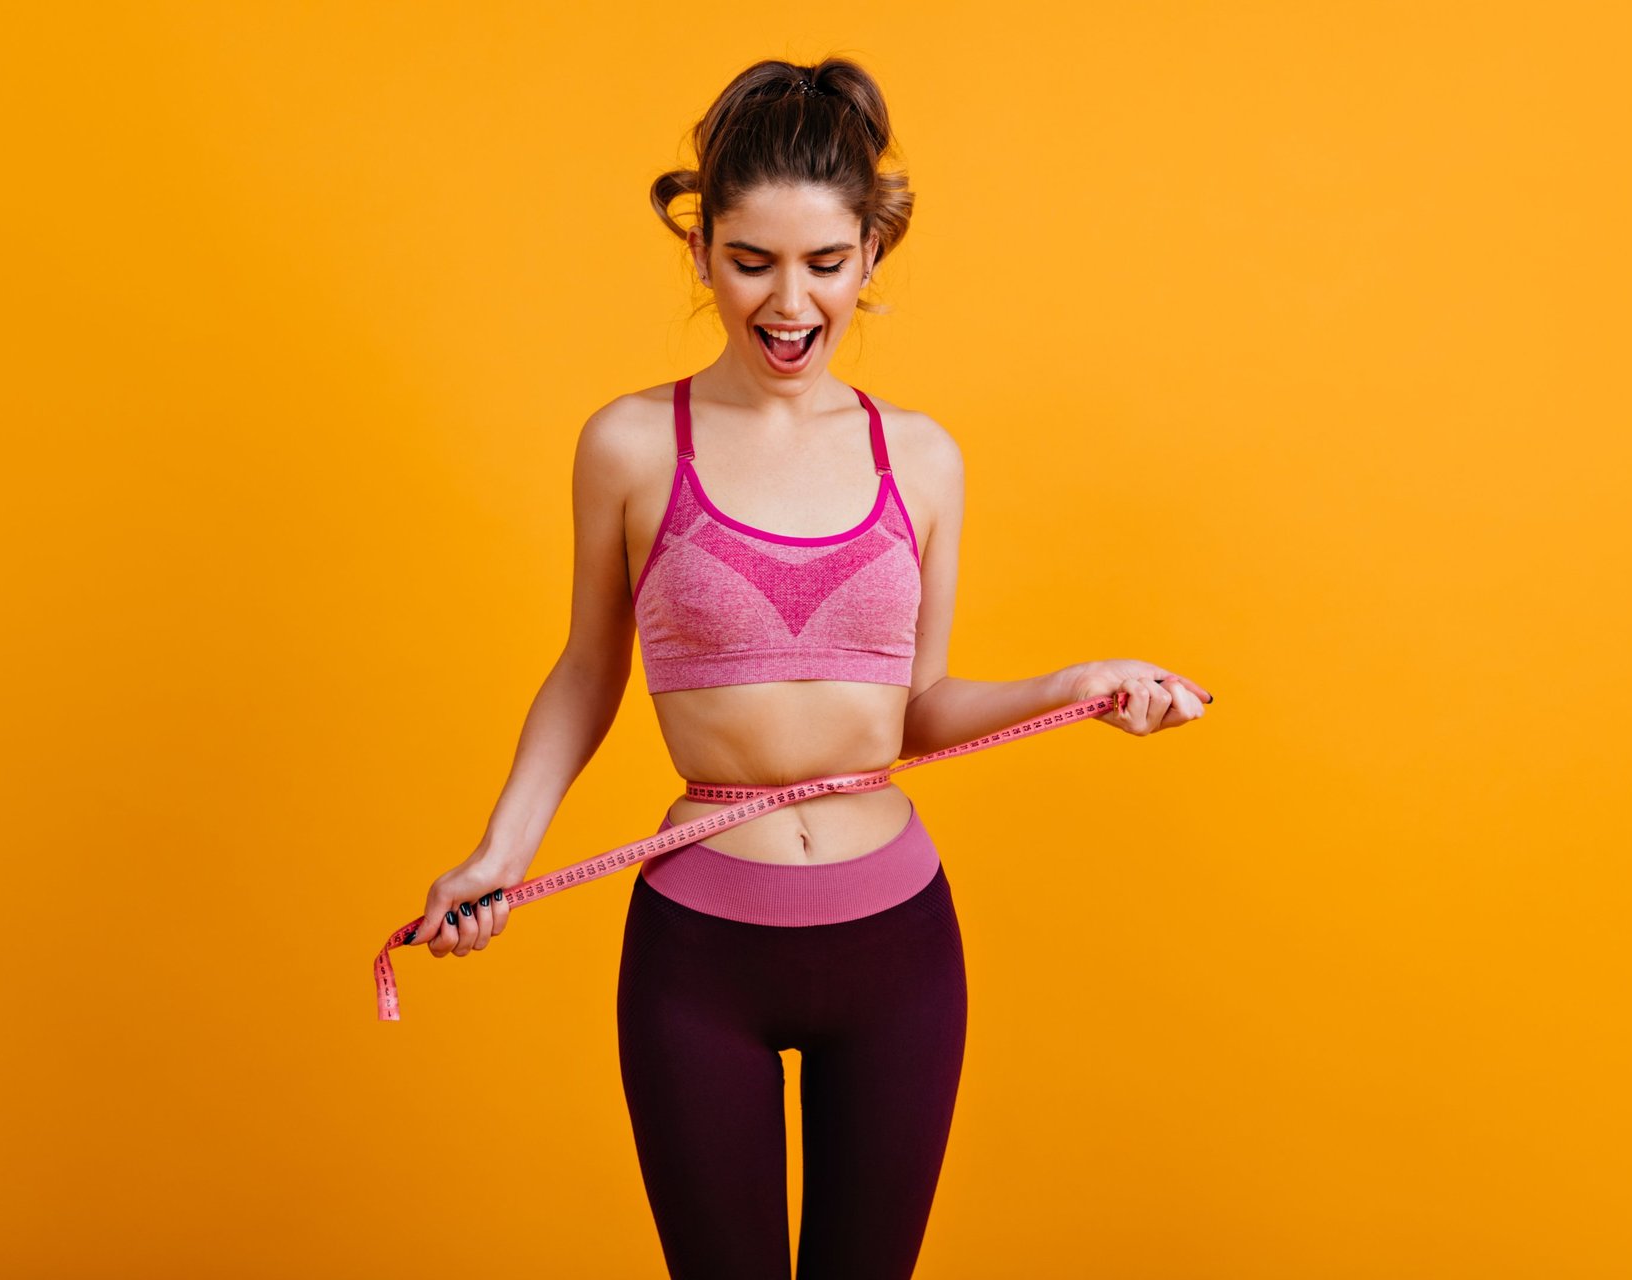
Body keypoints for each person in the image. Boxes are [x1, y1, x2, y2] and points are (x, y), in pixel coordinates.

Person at [407, 55, 1214, 1280]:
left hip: (896, 947)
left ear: (872, 256)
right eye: (752, 262)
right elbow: (588, 668)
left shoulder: (923, 458)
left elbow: (922, 710)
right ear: (700, 249)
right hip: (699, 954)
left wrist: (1078, 684)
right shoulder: (630, 443)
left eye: (826, 265)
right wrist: (499, 854)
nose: (790, 302)